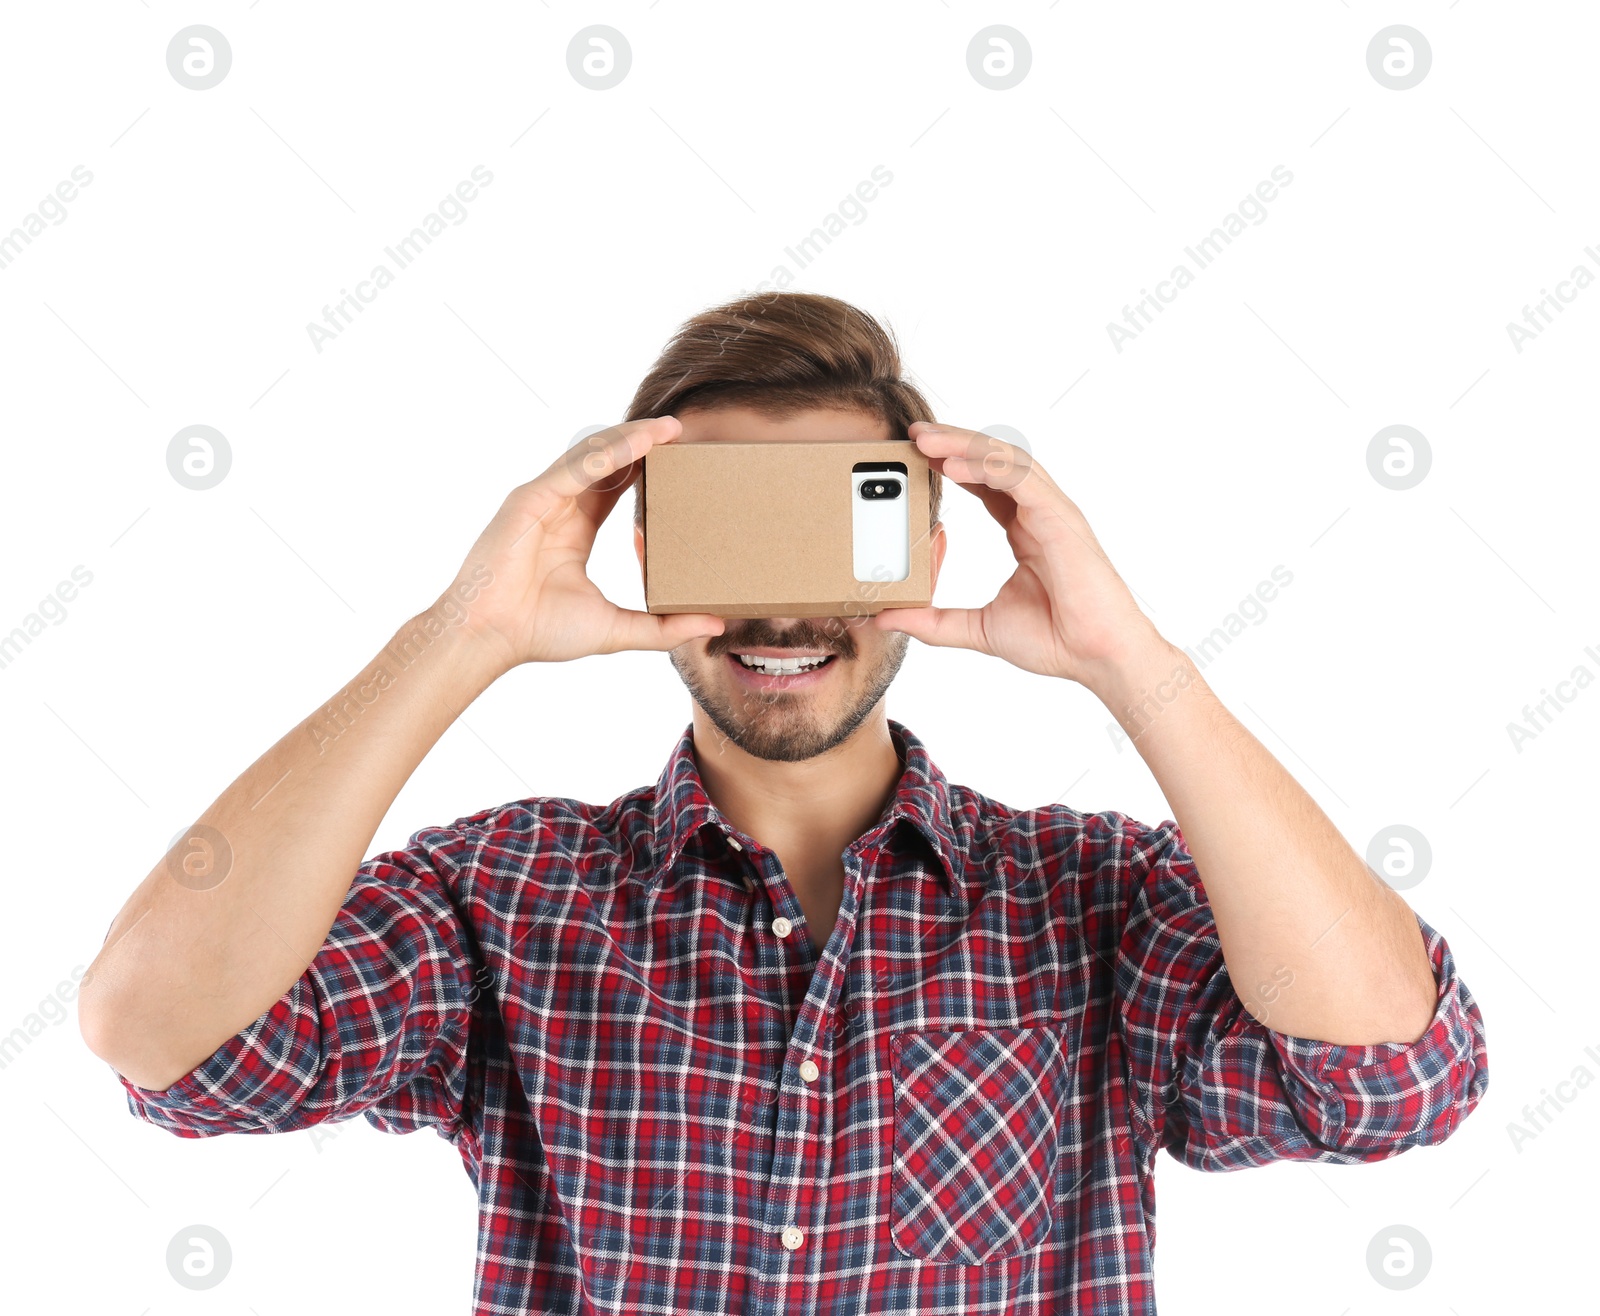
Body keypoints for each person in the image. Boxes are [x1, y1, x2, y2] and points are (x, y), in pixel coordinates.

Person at [80, 292, 1488, 1315]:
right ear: (639, 545)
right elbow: (164, 1041)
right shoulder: (506, 897)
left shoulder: (1093, 896)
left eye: (842, 524)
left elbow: (1391, 1076)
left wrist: (1137, 665)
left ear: (930, 543)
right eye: (732, 524)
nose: (784, 603)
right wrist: (462, 634)